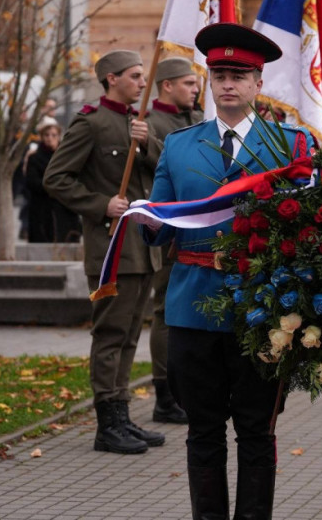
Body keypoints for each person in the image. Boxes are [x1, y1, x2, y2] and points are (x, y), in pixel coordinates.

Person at [136, 23, 312, 520]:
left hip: (261, 307)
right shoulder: (180, 146)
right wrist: (149, 222)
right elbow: (164, 221)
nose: (228, 84)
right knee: (203, 431)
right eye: (219, 74)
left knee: (258, 430)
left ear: (259, 83)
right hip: (192, 307)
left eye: (239, 75)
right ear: (209, 81)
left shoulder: (289, 146)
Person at [44, 50, 165, 455]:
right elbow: (57, 178)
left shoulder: (137, 124)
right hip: (112, 246)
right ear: (111, 79)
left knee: (130, 334)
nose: (140, 82)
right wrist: (100, 204)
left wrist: (146, 145)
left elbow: (161, 169)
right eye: (134, 76)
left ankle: (122, 414)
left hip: (142, 247)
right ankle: (106, 424)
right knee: (111, 334)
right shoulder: (91, 122)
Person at [143, 57, 202, 425]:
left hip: (202, 234)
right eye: (188, 84)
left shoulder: (197, 121)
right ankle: (165, 393)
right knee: (165, 311)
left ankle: (190, 384)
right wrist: (146, 143)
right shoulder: (152, 125)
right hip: (169, 234)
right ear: (166, 85)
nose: (196, 90)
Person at [24, 117, 81, 243]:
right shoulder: (35, 158)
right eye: (47, 135)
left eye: (54, 135)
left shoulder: (67, 157)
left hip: (64, 208)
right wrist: (52, 186)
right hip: (42, 209)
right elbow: (31, 182)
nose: (50, 138)